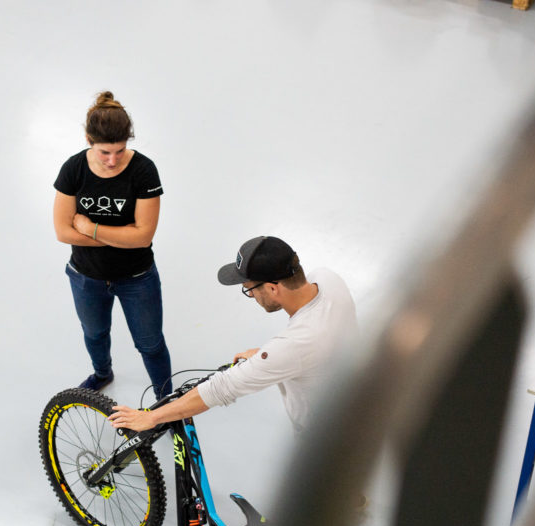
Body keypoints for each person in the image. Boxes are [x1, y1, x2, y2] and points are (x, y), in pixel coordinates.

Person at [108, 235, 357, 433]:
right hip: (354, 400)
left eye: (248, 289)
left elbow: (220, 389)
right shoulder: (327, 279)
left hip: (323, 432)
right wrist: (268, 356)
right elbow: (315, 344)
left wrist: (151, 417)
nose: (251, 295)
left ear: (272, 288)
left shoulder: (296, 344)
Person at [53, 91, 172, 398]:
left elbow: (143, 237)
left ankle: (166, 401)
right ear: (89, 139)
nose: (112, 160)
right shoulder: (73, 169)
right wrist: (122, 234)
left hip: (137, 278)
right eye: (105, 152)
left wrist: (90, 227)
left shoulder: (144, 170)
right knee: (94, 334)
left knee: (150, 343)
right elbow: (63, 232)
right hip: (85, 276)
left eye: (120, 151)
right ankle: (103, 374)